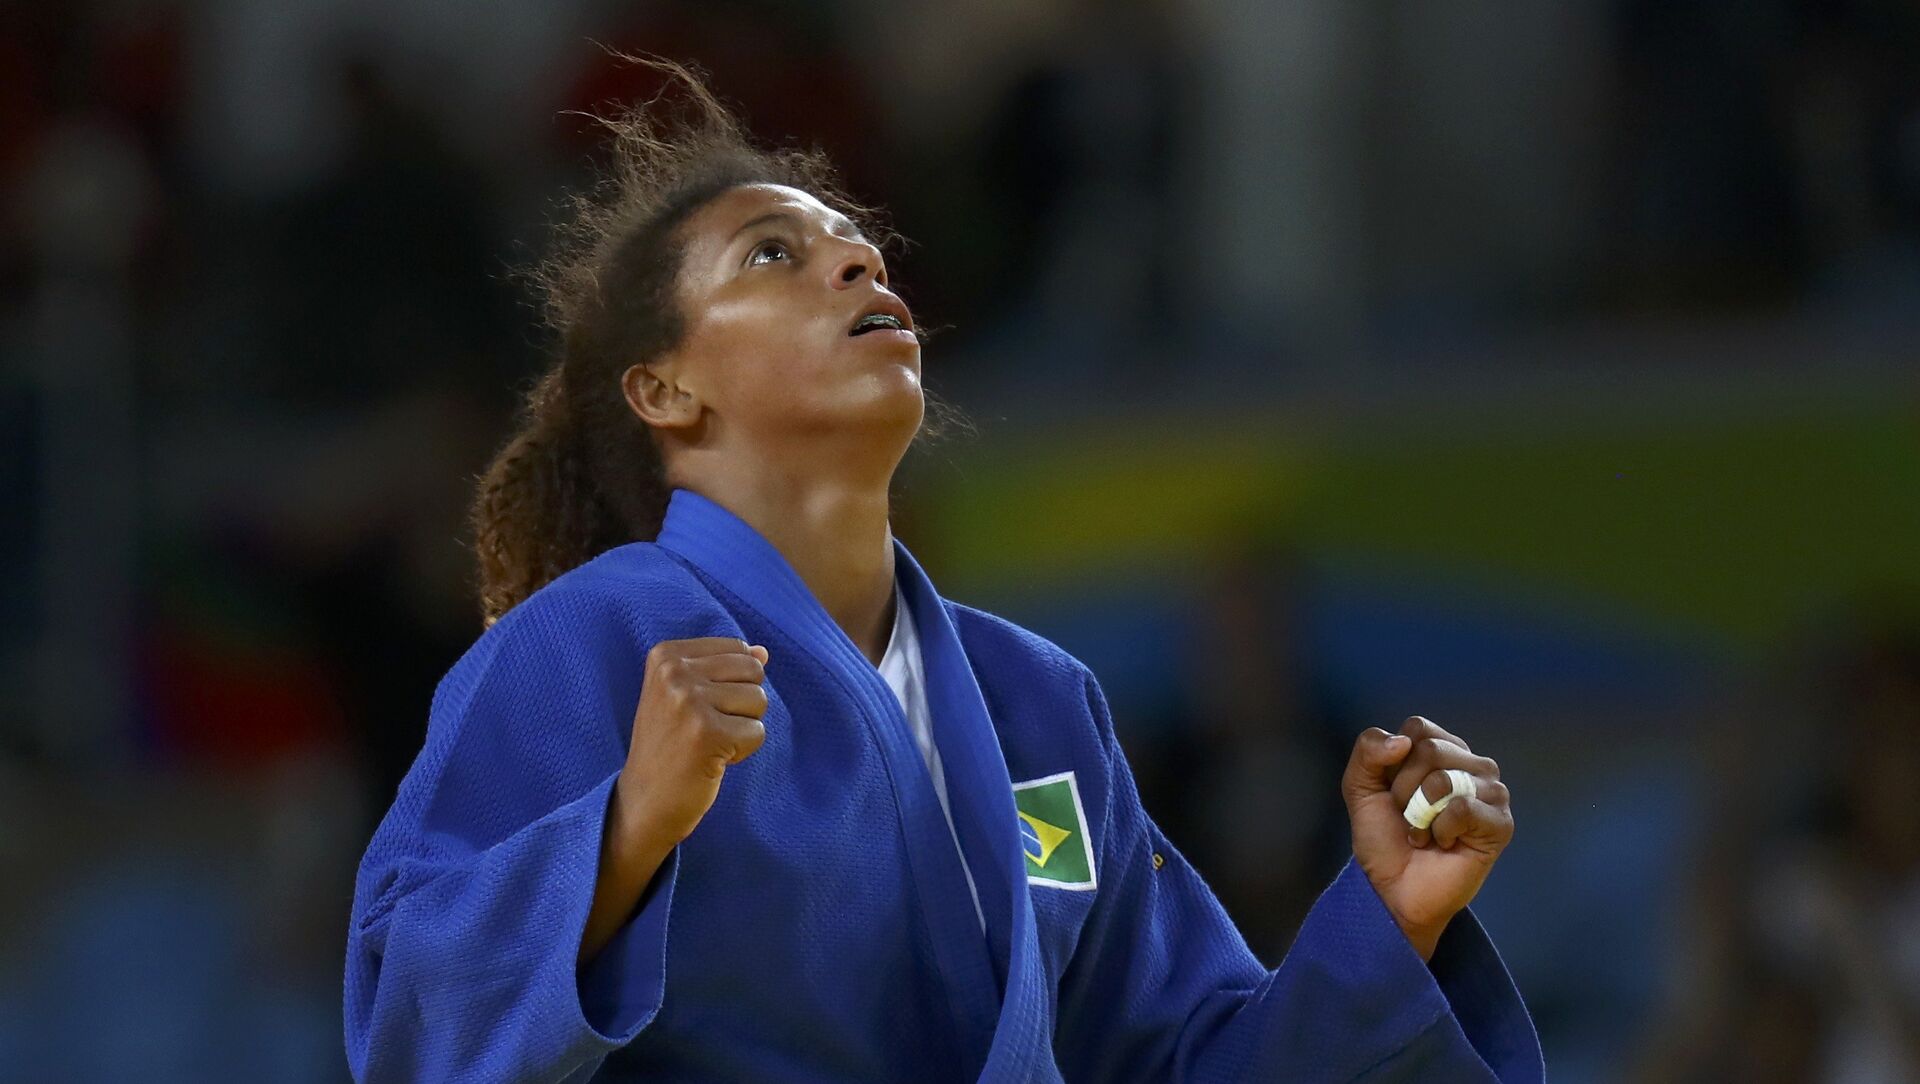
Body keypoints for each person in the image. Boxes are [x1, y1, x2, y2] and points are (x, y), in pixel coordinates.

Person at [343, 55, 1542, 1083]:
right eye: (772, 254)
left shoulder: (1037, 699)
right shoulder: (593, 641)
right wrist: (625, 831)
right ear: (666, 389)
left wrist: (1389, 922)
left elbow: (1189, 1057)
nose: (859, 263)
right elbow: (407, 1022)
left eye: (859, 247)